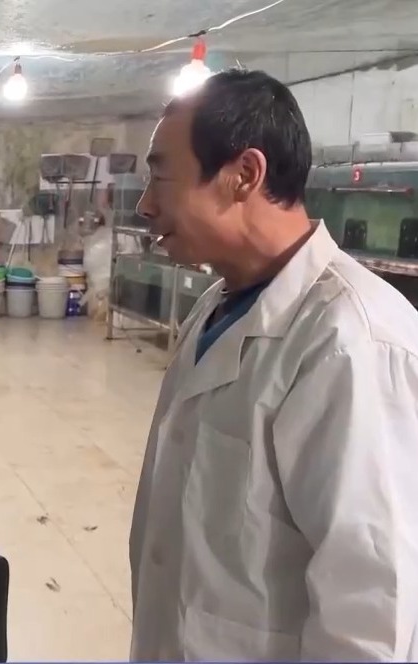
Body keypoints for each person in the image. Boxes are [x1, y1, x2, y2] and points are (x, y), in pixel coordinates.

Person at [129, 68, 418, 661]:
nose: (145, 204)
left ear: (244, 174)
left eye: (161, 176)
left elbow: (369, 613)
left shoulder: (351, 343)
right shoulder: (218, 305)